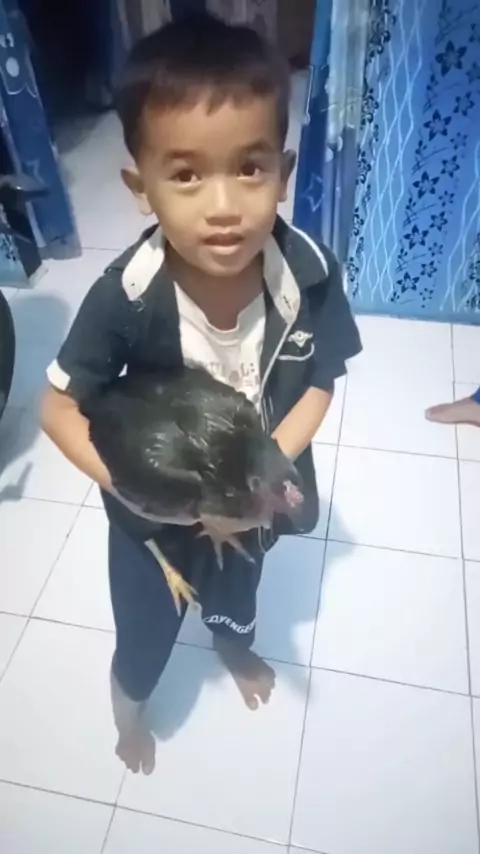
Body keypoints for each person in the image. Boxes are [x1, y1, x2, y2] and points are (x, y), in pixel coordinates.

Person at [40, 13, 361, 774]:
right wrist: (165, 499)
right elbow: (57, 409)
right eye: (186, 175)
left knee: (239, 598)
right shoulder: (125, 295)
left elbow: (321, 381)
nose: (223, 205)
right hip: (155, 517)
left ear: (284, 173)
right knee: (144, 634)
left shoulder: (308, 273)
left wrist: (254, 480)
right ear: (140, 189)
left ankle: (232, 646)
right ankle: (129, 717)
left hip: (248, 494)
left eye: (249, 168)